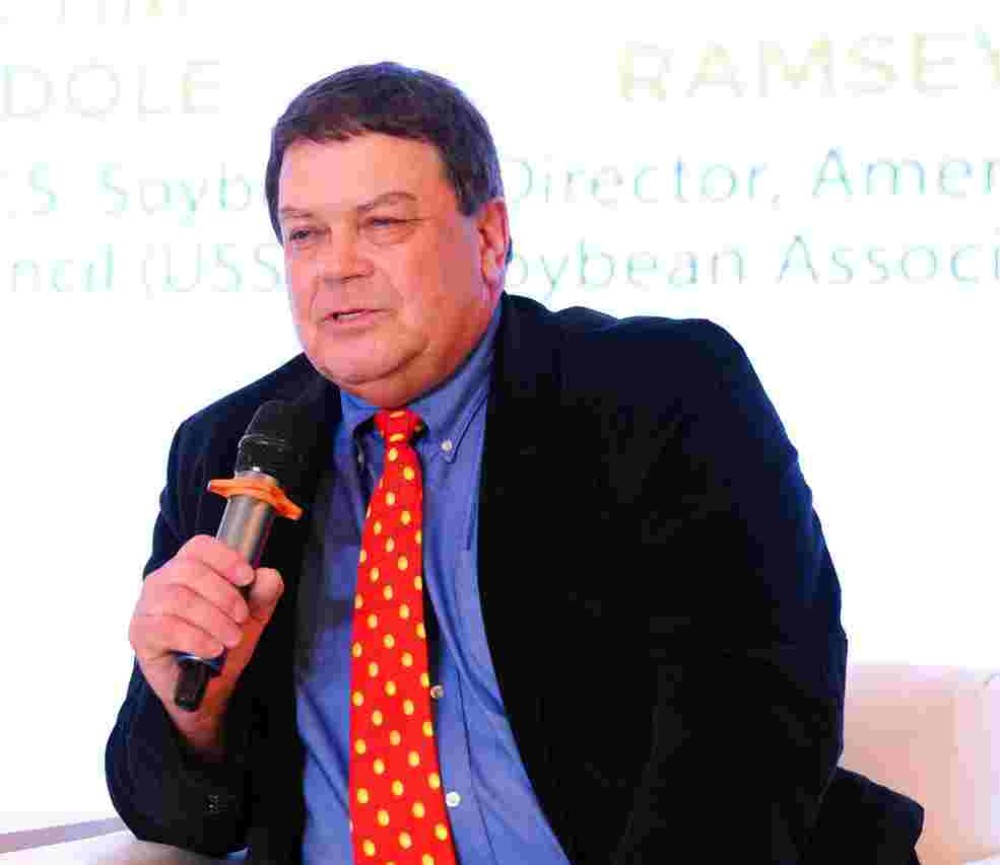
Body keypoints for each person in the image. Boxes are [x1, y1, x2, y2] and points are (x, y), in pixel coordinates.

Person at [106, 62, 923, 864]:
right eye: (305, 233)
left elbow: (756, 731)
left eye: (383, 223)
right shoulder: (227, 446)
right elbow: (177, 818)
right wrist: (195, 710)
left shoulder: (660, 394)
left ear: (490, 239)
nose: (336, 265)